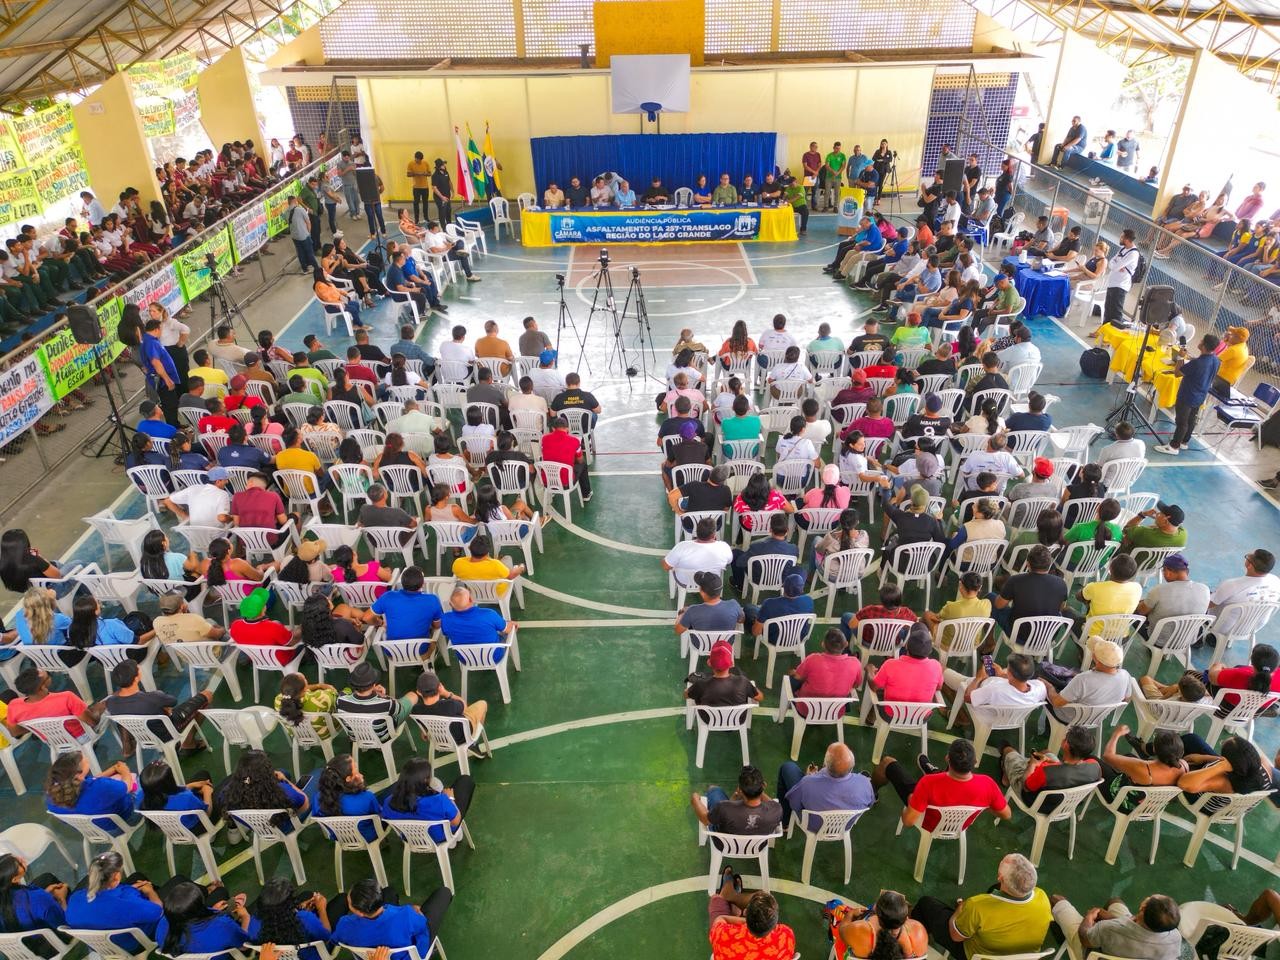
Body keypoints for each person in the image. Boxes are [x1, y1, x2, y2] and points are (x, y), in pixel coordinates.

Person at [911, 853, 1051, 960]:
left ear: (1000, 877)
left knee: (926, 903)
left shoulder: (977, 905)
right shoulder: (1043, 897)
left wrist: (960, 910)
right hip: (1021, 956)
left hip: (974, 954)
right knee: (992, 890)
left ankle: (912, 945)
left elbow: (955, 936)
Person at [64, 850, 164, 951]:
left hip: (100, 947)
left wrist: (128, 890)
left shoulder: (74, 899)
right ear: (116, 876)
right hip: (132, 943)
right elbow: (158, 911)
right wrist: (150, 892)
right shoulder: (125, 900)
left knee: (136, 877)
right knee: (176, 883)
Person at [1050, 893, 1184, 960]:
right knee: (1115, 902)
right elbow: (1126, 925)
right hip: (1125, 936)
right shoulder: (1175, 937)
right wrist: (1113, 920)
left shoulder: (1109, 929)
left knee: (1056, 899)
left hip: (1094, 952)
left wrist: (1089, 917)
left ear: (1143, 907)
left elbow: (1085, 939)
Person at [998, 725, 1102, 808]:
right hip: (1064, 804)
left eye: (1065, 738)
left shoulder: (1046, 772)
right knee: (1048, 752)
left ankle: (1006, 773)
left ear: (1066, 745)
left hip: (1035, 802)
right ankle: (1011, 771)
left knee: (1008, 751)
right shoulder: (1095, 766)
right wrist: (1049, 761)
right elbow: (1070, 770)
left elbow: (1026, 786)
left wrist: (1033, 765)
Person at [380, 756, 474, 845]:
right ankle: (454, 839)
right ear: (425, 780)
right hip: (439, 837)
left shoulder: (388, 802)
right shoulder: (440, 800)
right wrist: (450, 798)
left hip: (410, 839)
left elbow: (386, 818)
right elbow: (456, 821)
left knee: (438, 785)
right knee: (465, 781)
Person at [1154, 334, 1221, 455]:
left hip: (1187, 395)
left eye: (1201, 340)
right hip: (1201, 395)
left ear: (1204, 345)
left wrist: (1180, 357)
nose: (1199, 341)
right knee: (1191, 419)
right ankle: (1184, 442)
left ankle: (1174, 446)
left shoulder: (1197, 363)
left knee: (1182, 422)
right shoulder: (1216, 360)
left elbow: (1177, 373)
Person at [827, 889, 929, 960]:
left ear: (877, 915)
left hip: (859, 939)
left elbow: (842, 931)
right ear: (906, 917)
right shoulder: (919, 931)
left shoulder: (859, 930)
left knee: (834, 905)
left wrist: (850, 914)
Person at [690, 763, 782, 836]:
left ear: (740, 790)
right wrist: (757, 789)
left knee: (715, 790)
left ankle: (712, 789)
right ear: (764, 785)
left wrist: (695, 799)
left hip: (724, 844)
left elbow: (705, 819)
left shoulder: (724, 808)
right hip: (757, 847)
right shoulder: (776, 810)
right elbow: (772, 803)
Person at [665, 517, 734, 592]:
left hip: (685, 582)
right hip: (711, 582)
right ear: (714, 535)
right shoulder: (724, 547)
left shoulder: (682, 546)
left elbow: (666, 566)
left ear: (696, 533)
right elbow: (728, 562)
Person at [541, 414, 591, 501]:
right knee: (583, 464)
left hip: (547, 481)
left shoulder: (544, 439)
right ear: (567, 428)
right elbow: (580, 460)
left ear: (553, 428)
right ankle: (586, 494)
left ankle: (552, 491)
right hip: (566, 482)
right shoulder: (574, 441)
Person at [1102, 229, 1140, 327]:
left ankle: (1113, 335)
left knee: (1116, 313)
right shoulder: (1123, 249)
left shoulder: (1133, 253)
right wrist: (1117, 265)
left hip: (1120, 286)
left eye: (1122, 237)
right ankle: (1103, 332)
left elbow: (1115, 266)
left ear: (1127, 239)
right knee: (1108, 310)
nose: (1120, 238)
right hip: (1112, 283)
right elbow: (1111, 263)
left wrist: (1116, 265)